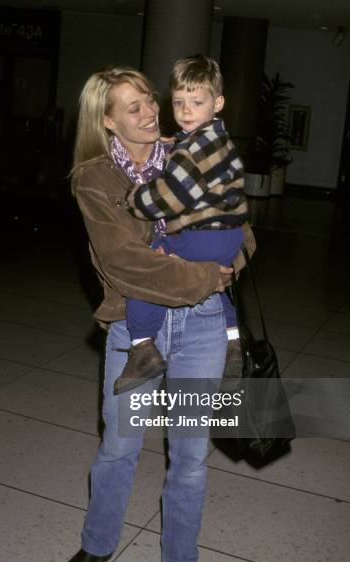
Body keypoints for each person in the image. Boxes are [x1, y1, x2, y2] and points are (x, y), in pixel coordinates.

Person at [56, 66, 255, 562]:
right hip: (136, 326)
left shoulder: (190, 148)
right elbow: (124, 263)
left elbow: (243, 228)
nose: (150, 112)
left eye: (149, 99)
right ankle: (96, 546)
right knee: (119, 446)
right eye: (133, 107)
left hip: (206, 323)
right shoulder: (94, 179)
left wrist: (231, 260)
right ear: (108, 121)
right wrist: (205, 276)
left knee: (190, 456)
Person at [114, 55, 247, 395]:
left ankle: (143, 346)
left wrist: (134, 197)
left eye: (197, 102)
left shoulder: (196, 148)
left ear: (218, 103)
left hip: (202, 235)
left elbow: (166, 199)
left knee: (148, 266)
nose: (186, 110)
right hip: (228, 236)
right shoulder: (217, 139)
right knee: (221, 278)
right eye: (178, 102)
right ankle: (233, 340)